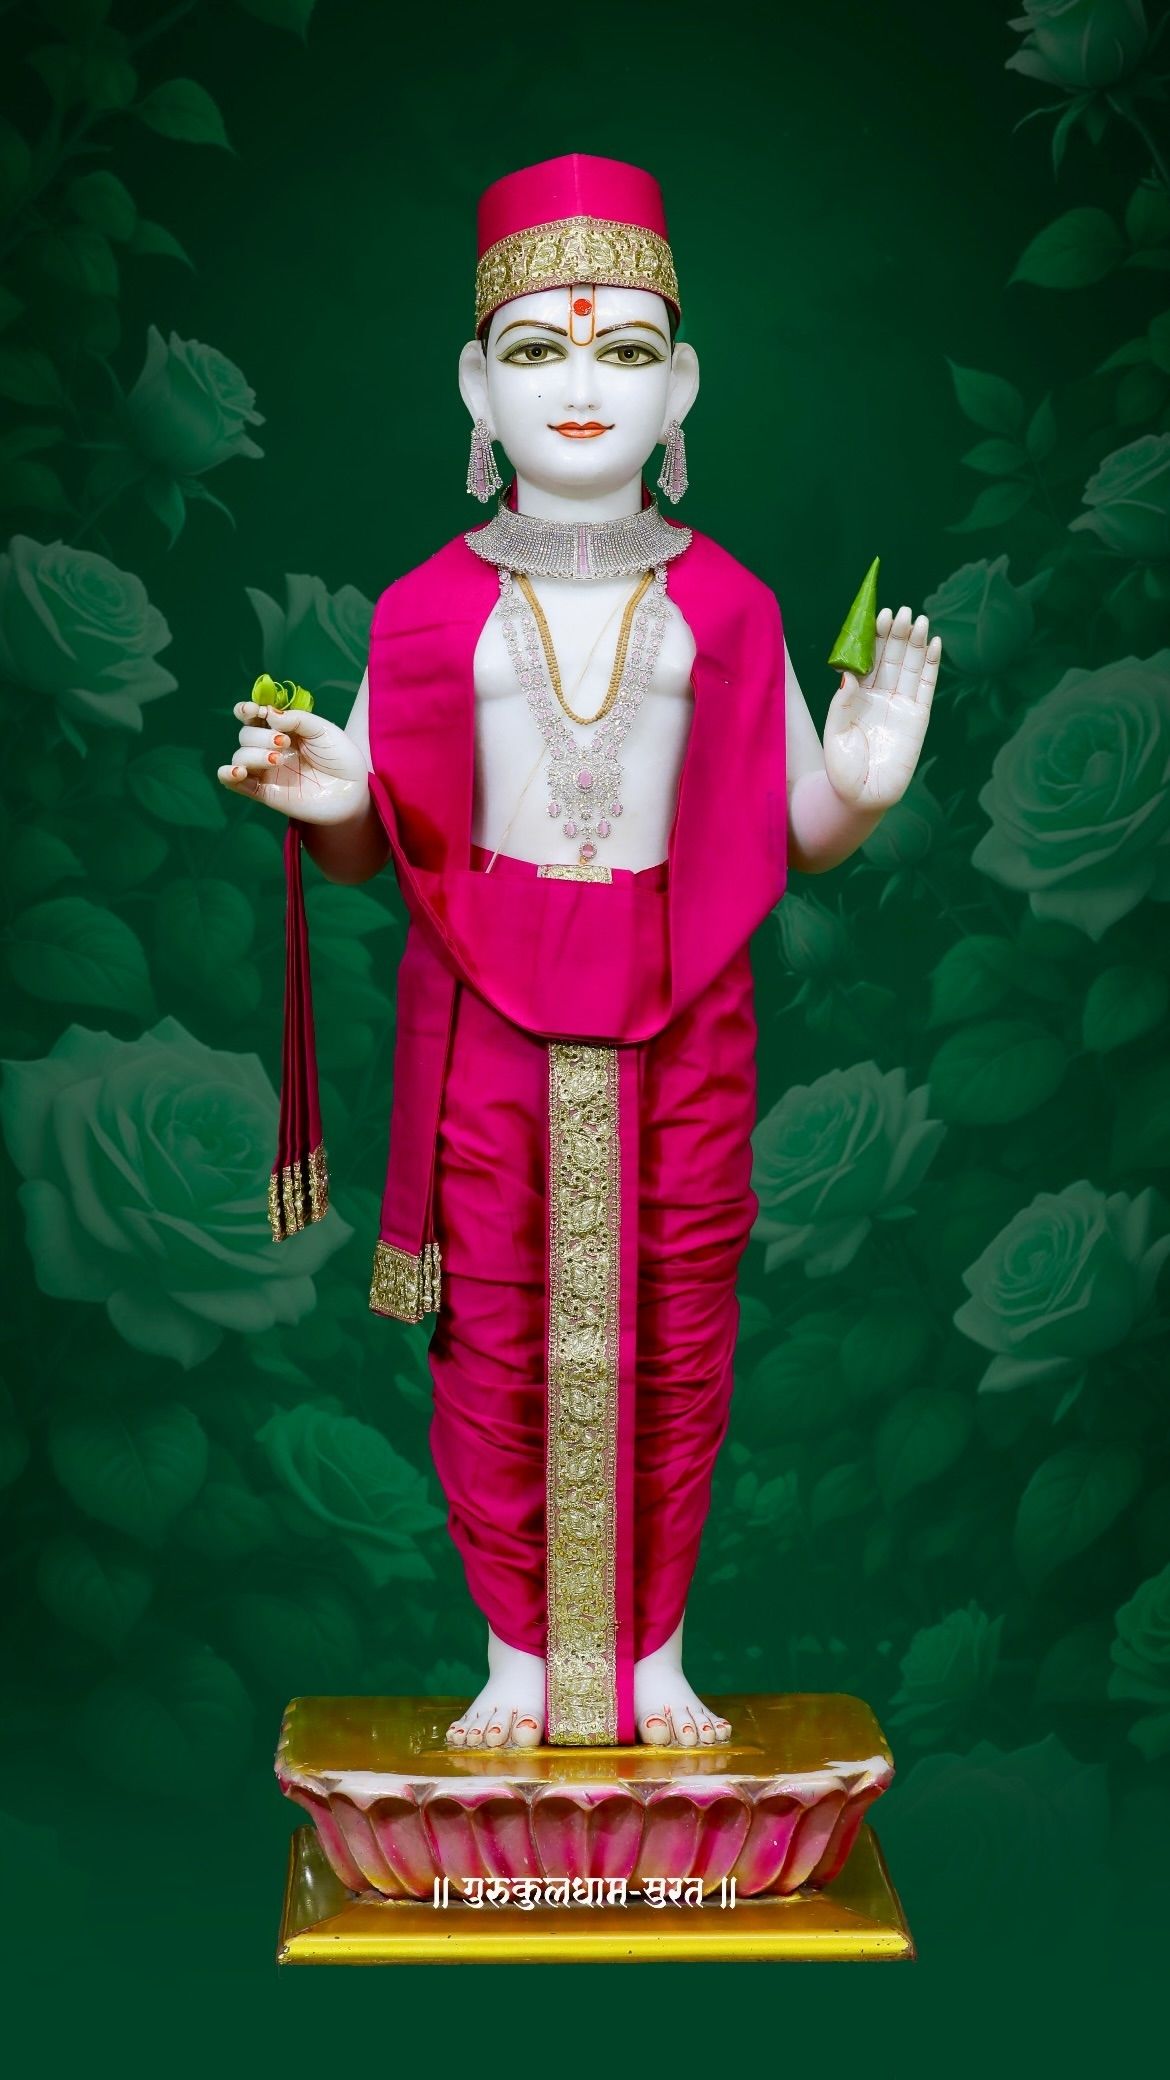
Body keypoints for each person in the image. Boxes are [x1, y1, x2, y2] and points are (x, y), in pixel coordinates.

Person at [217, 154, 941, 1752]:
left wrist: (864, 792)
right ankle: (518, 1662)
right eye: (538, 349)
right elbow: (375, 835)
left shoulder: (731, 606)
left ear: (680, 383)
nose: (582, 388)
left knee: (675, 1321)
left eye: (621, 352)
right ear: (475, 384)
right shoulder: (422, 613)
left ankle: (656, 1651)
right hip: (485, 993)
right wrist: (329, 792)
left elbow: (787, 822)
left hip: (682, 998)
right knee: (494, 1327)